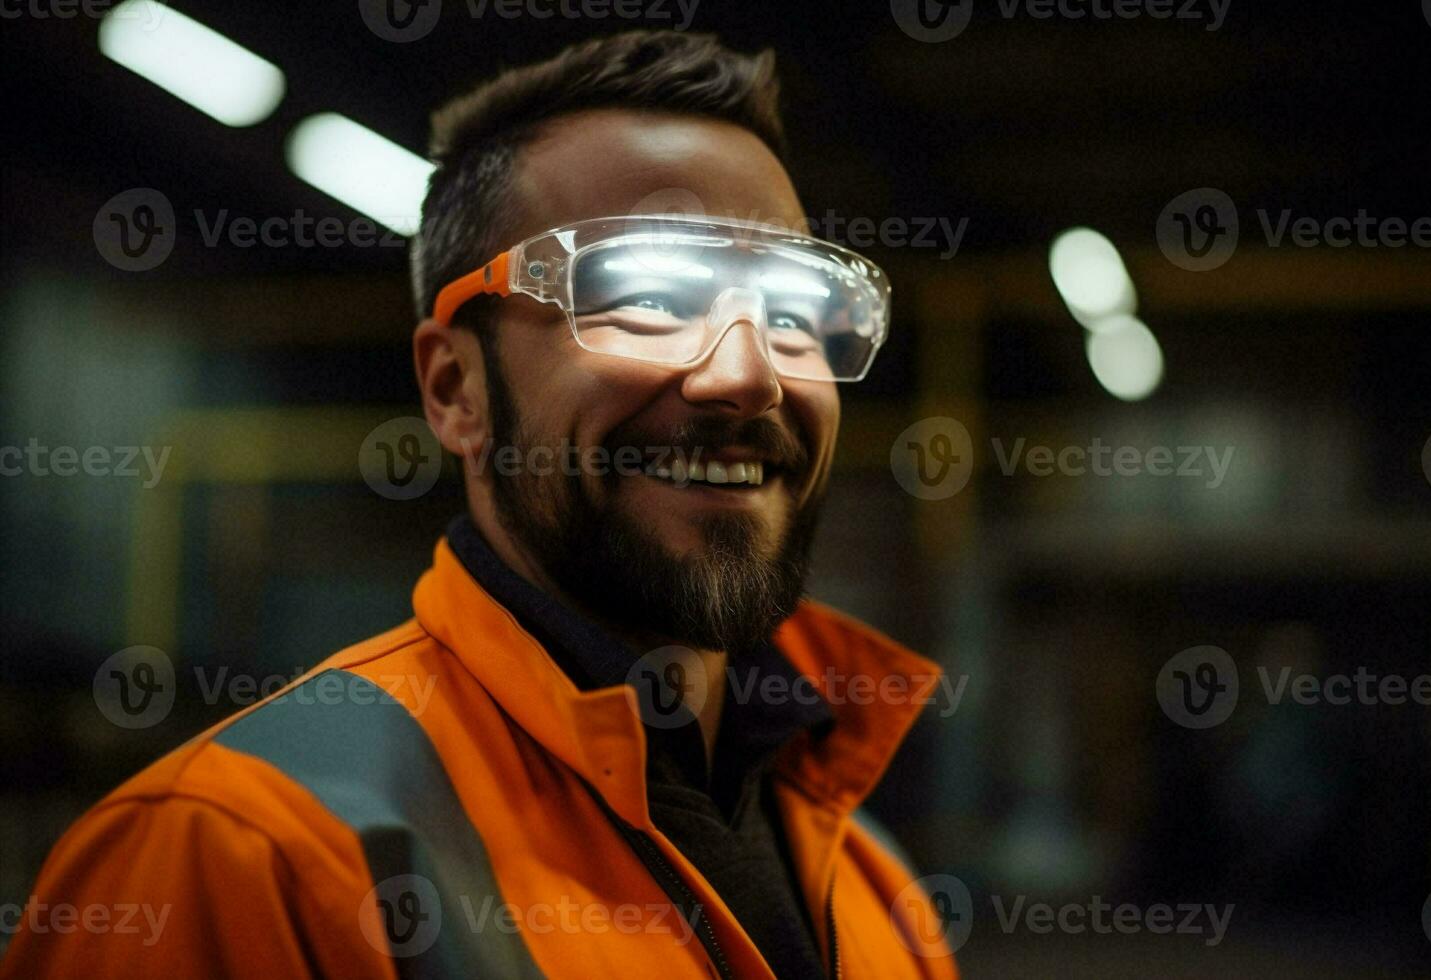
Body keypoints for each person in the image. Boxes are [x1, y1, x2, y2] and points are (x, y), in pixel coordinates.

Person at [1, 31, 956, 979]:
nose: (748, 376)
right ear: (455, 389)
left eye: (792, 314)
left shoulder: (874, 888)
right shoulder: (238, 855)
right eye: (648, 296)